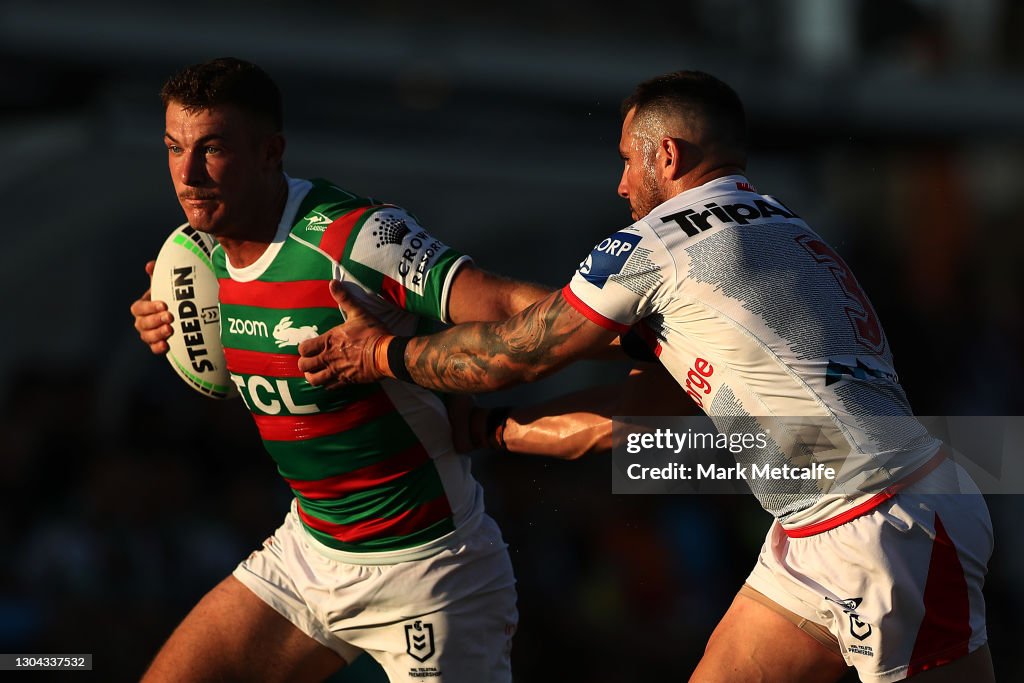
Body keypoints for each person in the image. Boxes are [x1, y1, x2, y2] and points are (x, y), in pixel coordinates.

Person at [297, 71, 996, 682]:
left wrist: (382, 357)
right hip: (830, 525)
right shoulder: (782, 225)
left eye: (628, 159)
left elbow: (520, 351)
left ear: (668, 154)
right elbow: (640, 419)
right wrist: (487, 430)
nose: (621, 183)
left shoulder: (659, 243)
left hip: (885, 524)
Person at [128, 56, 598, 683]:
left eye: (212, 150)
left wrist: (634, 332)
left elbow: (509, 305)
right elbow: (258, 381)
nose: (187, 174)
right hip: (309, 552)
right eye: (174, 148)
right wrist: (168, 324)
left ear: (271, 151)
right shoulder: (193, 249)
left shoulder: (356, 237)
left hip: (429, 572)